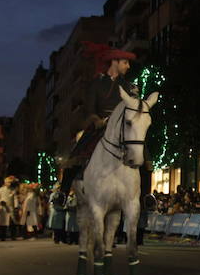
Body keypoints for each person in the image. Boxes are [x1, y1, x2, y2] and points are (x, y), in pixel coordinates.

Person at [55, 42, 138, 203]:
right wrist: (97, 120)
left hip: (121, 126)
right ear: (115, 62)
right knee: (75, 158)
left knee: (143, 154)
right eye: (125, 62)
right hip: (99, 127)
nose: (128, 66)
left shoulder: (128, 86)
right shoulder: (96, 84)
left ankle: (146, 197)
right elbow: (89, 110)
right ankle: (63, 193)